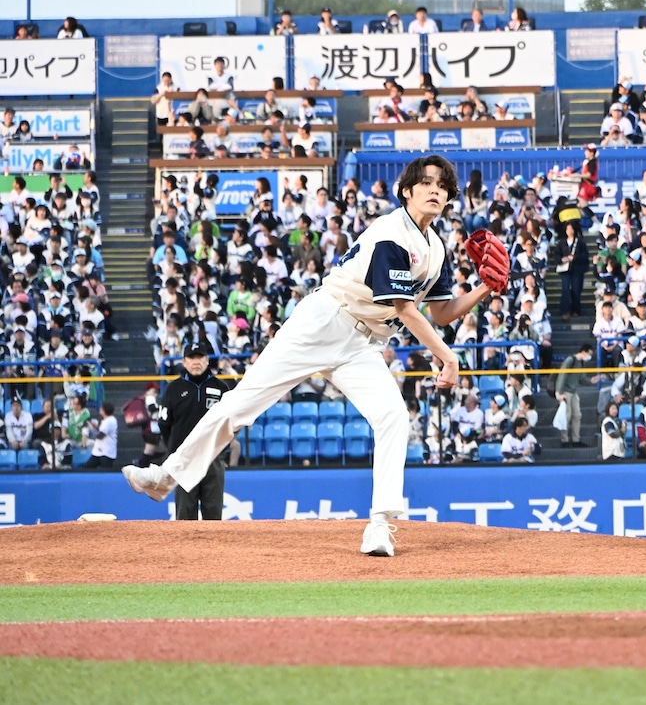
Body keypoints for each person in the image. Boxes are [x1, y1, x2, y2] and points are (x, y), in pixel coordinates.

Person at [122, 155, 507, 558]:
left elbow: (441, 312)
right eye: (426, 183)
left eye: (443, 187)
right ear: (407, 191)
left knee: (393, 416)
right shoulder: (392, 232)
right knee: (242, 402)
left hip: (361, 344)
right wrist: (448, 358)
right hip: (324, 320)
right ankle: (166, 476)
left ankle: (380, 526)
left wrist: (483, 289)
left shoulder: (436, 249)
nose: (435, 190)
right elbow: (405, 309)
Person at [158, 337, 235, 520]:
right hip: (185, 459)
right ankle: (185, 550)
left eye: (200, 357)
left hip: (213, 457)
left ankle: (214, 550)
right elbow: (164, 424)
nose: (196, 362)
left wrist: (221, 449)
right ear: (184, 362)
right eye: (191, 358)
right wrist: (176, 450)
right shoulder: (173, 389)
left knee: (213, 514)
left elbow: (231, 422)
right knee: (185, 515)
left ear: (207, 360)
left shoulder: (221, 387)